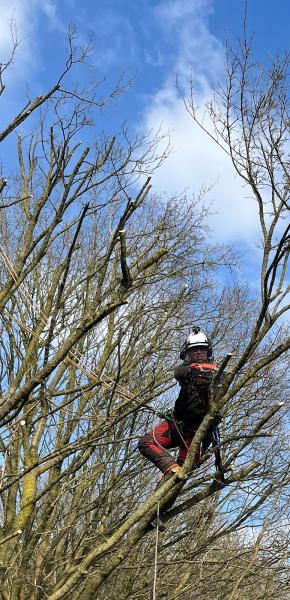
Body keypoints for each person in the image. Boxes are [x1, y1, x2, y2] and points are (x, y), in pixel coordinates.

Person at [138, 327, 221, 528]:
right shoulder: (186, 372)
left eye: (202, 349)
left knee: (181, 476)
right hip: (178, 425)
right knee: (146, 442)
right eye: (194, 350)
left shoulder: (217, 374)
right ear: (188, 353)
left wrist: (207, 376)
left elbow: (217, 381)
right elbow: (180, 372)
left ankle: (157, 513)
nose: (199, 353)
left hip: (196, 433)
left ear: (207, 351)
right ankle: (169, 467)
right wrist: (194, 370)